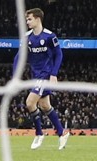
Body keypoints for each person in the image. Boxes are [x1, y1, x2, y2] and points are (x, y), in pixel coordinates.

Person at [13, 8, 70, 150]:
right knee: (44, 105)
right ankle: (62, 133)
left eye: (29, 19)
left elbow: (59, 54)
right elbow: (18, 57)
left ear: (38, 19)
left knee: (30, 102)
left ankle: (39, 134)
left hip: (45, 74)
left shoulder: (50, 36)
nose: (27, 22)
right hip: (35, 75)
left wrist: (54, 74)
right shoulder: (26, 37)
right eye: (26, 19)